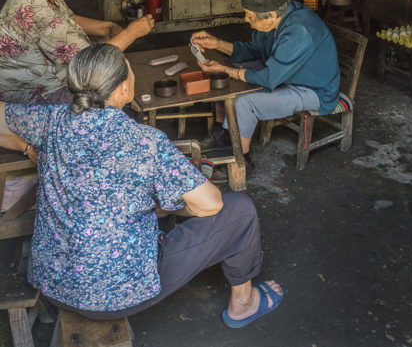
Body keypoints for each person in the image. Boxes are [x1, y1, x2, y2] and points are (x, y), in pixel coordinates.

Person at [0, 43, 283, 326]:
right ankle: (243, 303)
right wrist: (172, 208)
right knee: (240, 209)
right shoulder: (145, 140)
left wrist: (27, 148)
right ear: (124, 88)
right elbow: (211, 205)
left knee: (158, 208)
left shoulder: (52, 119)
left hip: (54, 283)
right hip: (116, 296)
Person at [192, 0, 340, 168]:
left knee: (245, 102)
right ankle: (224, 130)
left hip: (313, 90)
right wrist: (217, 44)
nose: (246, 20)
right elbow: (252, 50)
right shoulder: (277, 18)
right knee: (227, 74)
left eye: (251, 16)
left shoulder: (299, 31)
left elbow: (270, 78)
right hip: (285, 75)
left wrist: (227, 70)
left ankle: (240, 162)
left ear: (271, 14)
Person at [0, 0, 154, 104]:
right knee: (107, 86)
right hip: (31, 95)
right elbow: (91, 63)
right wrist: (131, 33)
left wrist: (107, 27)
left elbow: (69, 19)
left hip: (43, 78)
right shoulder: (37, 11)